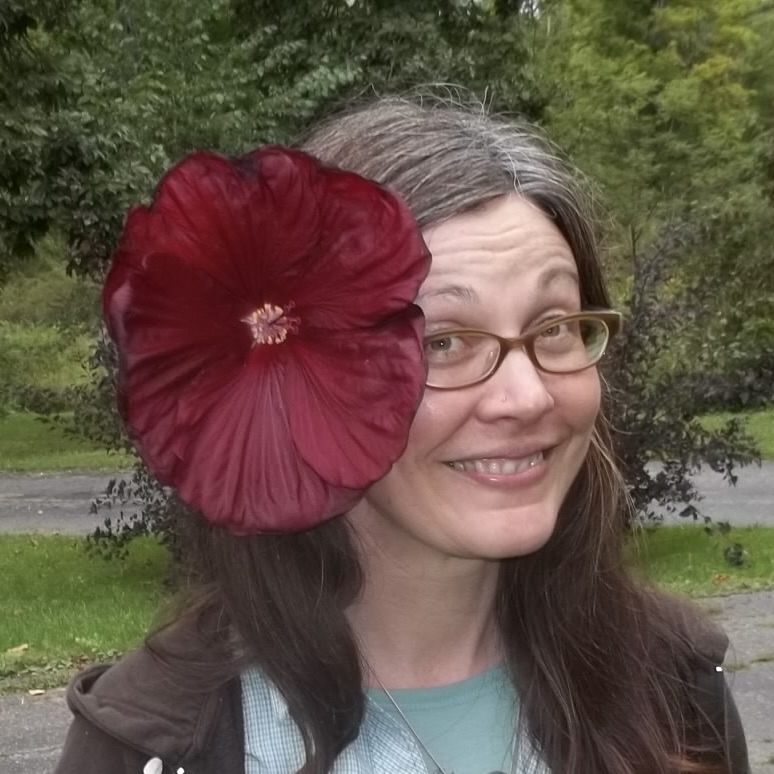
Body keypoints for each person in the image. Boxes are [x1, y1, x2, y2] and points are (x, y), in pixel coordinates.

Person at [54, 94, 750, 774]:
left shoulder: (673, 688)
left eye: (557, 328)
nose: (527, 395)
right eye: (444, 342)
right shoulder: (164, 746)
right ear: (307, 385)